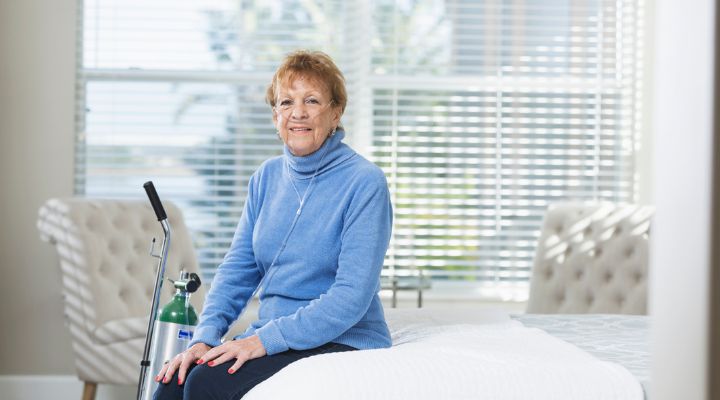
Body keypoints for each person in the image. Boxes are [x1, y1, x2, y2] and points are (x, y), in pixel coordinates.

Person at [153, 50, 393, 399]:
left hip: (341, 338)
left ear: (336, 112)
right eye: (286, 102)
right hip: (272, 333)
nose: (298, 113)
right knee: (172, 384)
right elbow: (239, 268)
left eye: (312, 100)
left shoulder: (365, 183)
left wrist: (262, 341)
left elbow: (350, 297)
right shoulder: (266, 178)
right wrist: (205, 336)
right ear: (275, 115)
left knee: (208, 384)